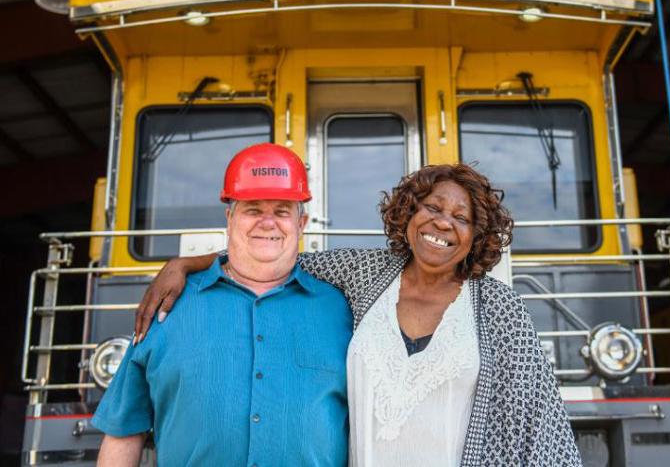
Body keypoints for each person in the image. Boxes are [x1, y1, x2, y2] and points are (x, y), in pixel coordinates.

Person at [136, 161, 582, 466]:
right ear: (409, 213)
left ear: (476, 235)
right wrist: (188, 265)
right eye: (432, 207)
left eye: (461, 218)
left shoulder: (499, 308)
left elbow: (542, 428)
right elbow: (275, 257)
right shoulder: (366, 274)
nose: (443, 223)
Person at [93, 143, 352, 466]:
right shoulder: (168, 305)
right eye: (253, 209)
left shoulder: (342, 309)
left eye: (282, 211)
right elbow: (123, 430)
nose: (268, 222)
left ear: (301, 224)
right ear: (229, 218)